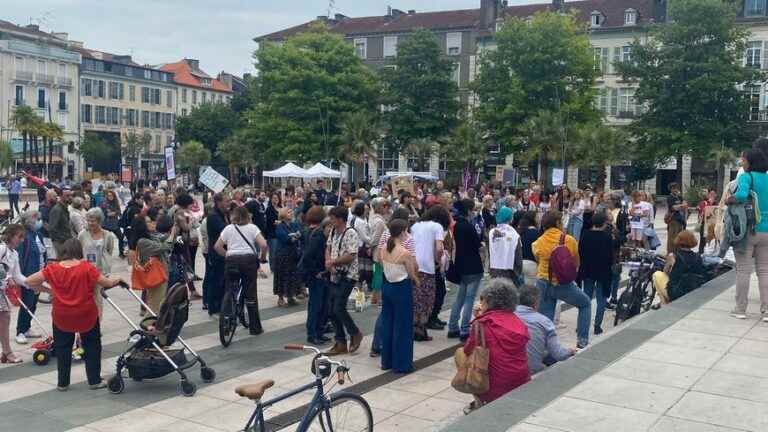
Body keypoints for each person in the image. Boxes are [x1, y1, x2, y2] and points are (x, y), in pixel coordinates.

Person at [25, 238, 123, 390]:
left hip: (61, 315)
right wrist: (119, 279)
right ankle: (94, 381)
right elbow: (107, 283)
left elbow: (30, 281)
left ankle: (63, 383)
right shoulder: (86, 268)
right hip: (86, 314)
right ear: (79, 251)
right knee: (92, 347)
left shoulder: (52, 268)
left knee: (63, 348)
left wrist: (50, 290)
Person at [462, 279, 530, 411]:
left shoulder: (483, 324)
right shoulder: (518, 322)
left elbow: (467, 350)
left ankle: (479, 399)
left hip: (494, 386)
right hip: (522, 379)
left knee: (460, 355)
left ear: (488, 301)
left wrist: (477, 318)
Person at [532, 211, 592, 348]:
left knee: (546, 318)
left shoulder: (537, 243)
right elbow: (576, 263)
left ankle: (544, 348)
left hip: (543, 282)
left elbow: (538, 259)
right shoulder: (569, 240)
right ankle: (582, 340)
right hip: (563, 283)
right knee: (585, 304)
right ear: (558, 223)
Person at [214, 206, 268, 335]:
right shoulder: (252, 228)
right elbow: (264, 245)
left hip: (232, 260)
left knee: (230, 289)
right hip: (248, 262)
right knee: (250, 293)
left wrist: (228, 254)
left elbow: (217, 246)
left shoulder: (228, 228)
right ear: (247, 216)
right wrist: (262, 258)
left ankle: (226, 322)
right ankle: (255, 328)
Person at [380, 219, 419, 374]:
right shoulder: (404, 253)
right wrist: (417, 279)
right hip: (401, 288)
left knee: (388, 323)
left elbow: (381, 263)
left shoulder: (383, 248)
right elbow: (412, 273)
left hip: (387, 286)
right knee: (402, 327)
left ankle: (386, 361)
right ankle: (401, 364)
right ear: (402, 232)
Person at [324, 206, 364, 356]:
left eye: (333, 218)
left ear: (340, 219)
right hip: (334, 274)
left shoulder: (351, 233)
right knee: (331, 310)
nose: (331, 221)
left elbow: (351, 255)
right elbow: (328, 247)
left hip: (348, 275)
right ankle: (340, 342)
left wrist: (333, 262)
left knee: (338, 307)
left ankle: (355, 333)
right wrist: (328, 261)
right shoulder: (334, 231)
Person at [515, 284, 575, 374]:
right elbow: (559, 355)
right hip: (530, 371)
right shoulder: (543, 321)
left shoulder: (507, 316)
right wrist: (570, 351)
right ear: (536, 302)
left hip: (507, 368)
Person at [410, 205, 449, 341]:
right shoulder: (437, 227)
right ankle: (421, 329)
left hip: (414, 265)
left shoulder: (416, 225)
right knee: (427, 299)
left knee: (416, 298)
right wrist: (439, 260)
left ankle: (416, 329)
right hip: (427, 266)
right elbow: (439, 248)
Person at [448, 199, 485, 342]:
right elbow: (477, 244)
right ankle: (464, 328)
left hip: (460, 265)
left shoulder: (455, 226)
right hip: (473, 266)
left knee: (460, 297)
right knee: (469, 299)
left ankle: (452, 327)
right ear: (468, 211)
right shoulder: (469, 227)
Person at [578, 211, 613, 335]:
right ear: (604, 223)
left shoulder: (585, 235)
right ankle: (597, 325)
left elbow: (580, 253)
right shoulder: (607, 237)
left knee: (585, 297)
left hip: (588, 270)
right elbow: (610, 257)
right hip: (603, 271)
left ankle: (582, 323)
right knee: (601, 299)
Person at [300, 206, 330, 345]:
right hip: (317, 273)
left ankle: (318, 331)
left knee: (318, 304)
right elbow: (308, 256)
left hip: (313, 273)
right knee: (317, 305)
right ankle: (313, 333)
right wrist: (315, 272)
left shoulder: (307, 231)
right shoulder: (318, 234)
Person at [14, 211, 46, 345]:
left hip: (39, 275)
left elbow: (43, 253)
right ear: (29, 222)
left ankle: (27, 327)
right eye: (36, 219)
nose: (39, 221)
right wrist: (19, 279)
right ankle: (20, 331)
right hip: (27, 277)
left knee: (33, 303)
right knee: (26, 304)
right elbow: (20, 259)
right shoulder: (24, 237)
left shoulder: (38, 235)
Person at [79, 208, 118, 315]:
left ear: (100, 221)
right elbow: (79, 251)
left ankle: (97, 323)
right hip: (86, 271)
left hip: (101, 272)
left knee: (98, 299)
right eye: (89, 220)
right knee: (85, 298)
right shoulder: (83, 234)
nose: (90, 223)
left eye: (93, 220)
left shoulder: (108, 235)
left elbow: (109, 250)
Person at [0, 225, 30, 362]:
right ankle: (7, 352)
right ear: (11, 236)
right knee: (5, 317)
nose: (22, 240)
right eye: (19, 236)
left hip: (1, 290)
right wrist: (7, 278)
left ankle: (6, 352)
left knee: (5, 317)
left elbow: (18, 276)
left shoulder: (14, 254)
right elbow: (9, 275)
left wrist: (32, 284)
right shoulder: (2, 249)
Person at [652, 230, 706, 306]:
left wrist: (670, 263)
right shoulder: (698, 257)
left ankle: (663, 302)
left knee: (657, 274)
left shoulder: (674, 256)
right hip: (692, 290)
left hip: (676, 293)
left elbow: (665, 272)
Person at [274, 207, 302, 307]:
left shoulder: (294, 224)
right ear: (283, 214)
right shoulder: (280, 226)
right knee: (282, 275)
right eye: (289, 212)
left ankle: (291, 296)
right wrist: (293, 236)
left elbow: (300, 233)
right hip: (282, 254)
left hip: (293, 254)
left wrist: (293, 236)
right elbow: (285, 238)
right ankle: (281, 298)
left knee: (292, 275)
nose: (291, 213)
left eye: (291, 211)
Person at [488, 206, 523, 286]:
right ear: (510, 218)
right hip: (509, 273)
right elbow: (518, 256)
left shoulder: (492, 232)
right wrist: (518, 272)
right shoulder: (514, 234)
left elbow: (490, 251)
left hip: (494, 271)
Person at [368, 197, 389, 305]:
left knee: (377, 274)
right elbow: (375, 238)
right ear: (379, 207)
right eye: (384, 206)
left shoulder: (375, 219)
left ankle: (375, 298)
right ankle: (378, 298)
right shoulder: (379, 221)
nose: (386, 208)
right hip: (379, 251)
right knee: (379, 275)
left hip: (378, 250)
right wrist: (370, 247)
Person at [49, 188, 74, 257]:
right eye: (67, 196)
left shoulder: (65, 209)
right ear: (60, 196)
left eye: (71, 195)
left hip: (66, 241)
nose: (70, 198)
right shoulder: (57, 210)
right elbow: (52, 229)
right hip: (60, 243)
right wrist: (63, 239)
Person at [100, 189, 124, 257]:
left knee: (121, 237)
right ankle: (103, 253)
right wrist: (113, 213)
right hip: (106, 224)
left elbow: (119, 212)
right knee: (103, 240)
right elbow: (106, 214)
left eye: (111, 195)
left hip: (114, 224)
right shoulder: (104, 203)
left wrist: (115, 213)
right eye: (108, 195)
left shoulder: (116, 203)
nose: (110, 197)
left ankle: (121, 253)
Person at [666, 182, 688, 254]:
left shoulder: (679, 197)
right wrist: (681, 206)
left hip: (681, 220)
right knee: (672, 238)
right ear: (671, 189)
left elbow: (686, 205)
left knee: (679, 238)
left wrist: (681, 205)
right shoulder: (670, 197)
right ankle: (670, 253)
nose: (675, 190)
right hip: (673, 220)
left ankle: (677, 253)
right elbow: (673, 208)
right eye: (673, 188)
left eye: (676, 188)